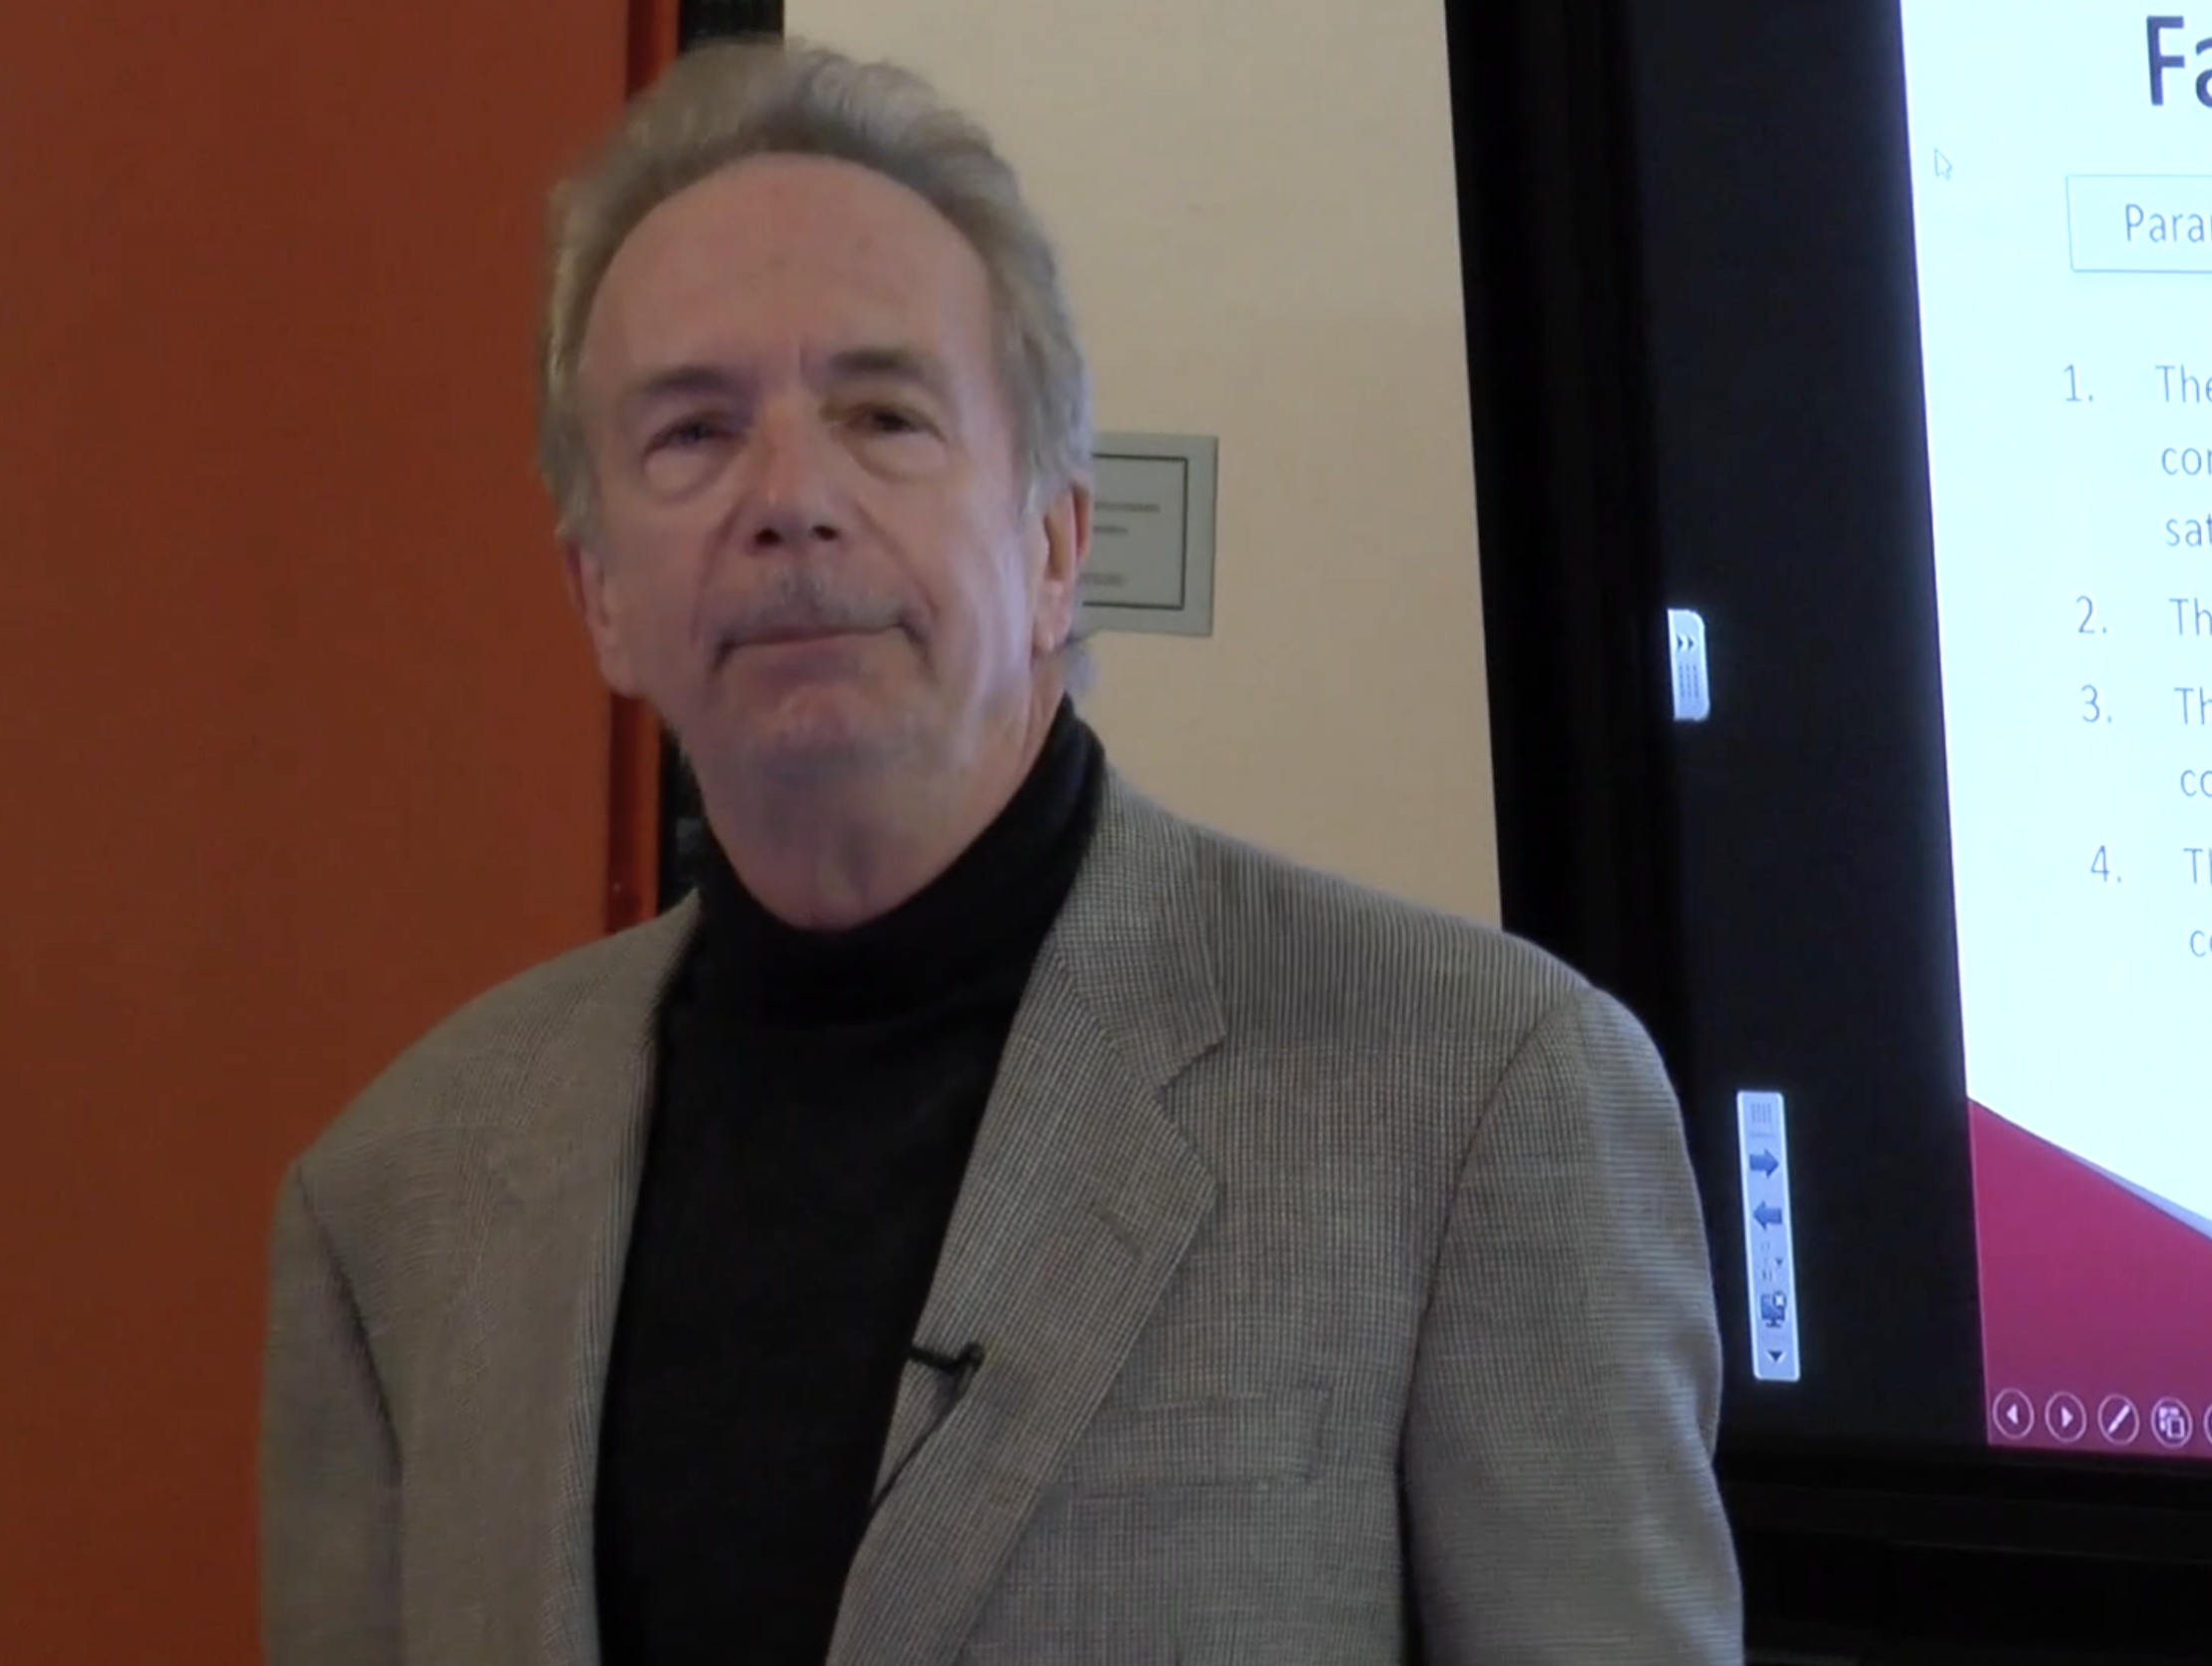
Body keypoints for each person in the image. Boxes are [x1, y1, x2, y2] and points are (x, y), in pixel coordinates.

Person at [259, 37, 1739, 1666]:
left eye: (882, 415)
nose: (790, 498)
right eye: (691, 434)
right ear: (598, 592)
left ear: (1052, 544)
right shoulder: (392, 1203)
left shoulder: (1477, 1100)